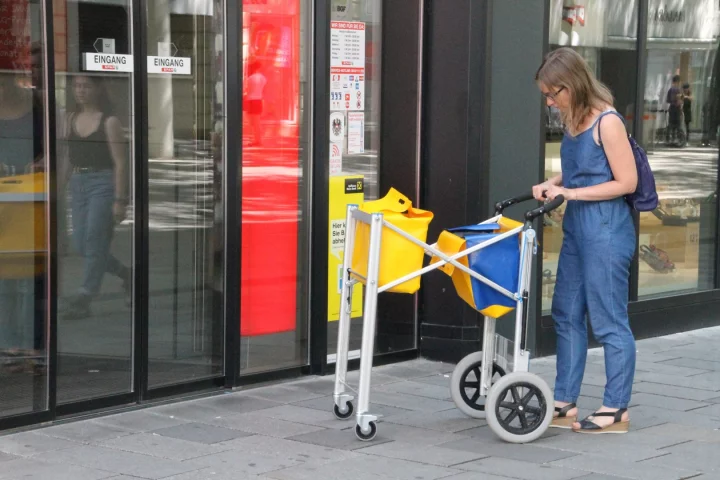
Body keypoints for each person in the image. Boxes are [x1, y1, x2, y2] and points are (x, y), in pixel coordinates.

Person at [533, 47, 637, 434]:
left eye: (552, 92)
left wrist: (572, 195)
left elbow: (627, 182)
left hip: (607, 228)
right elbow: (584, 171)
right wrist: (554, 183)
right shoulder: (572, 118)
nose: (549, 100)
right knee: (565, 311)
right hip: (579, 226)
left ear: (572, 84)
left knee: (609, 319)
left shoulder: (607, 121)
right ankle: (564, 401)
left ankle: (616, 407)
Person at [60, 75, 130, 319]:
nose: (80, 91)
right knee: (81, 244)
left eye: (86, 86)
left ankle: (85, 295)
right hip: (78, 183)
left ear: (98, 89)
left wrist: (120, 200)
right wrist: (60, 186)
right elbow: (69, 156)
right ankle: (126, 274)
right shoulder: (70, 119)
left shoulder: (109, 122)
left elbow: (121, 163)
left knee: (93, 238)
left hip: (102, 183)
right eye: (77, 86)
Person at [244, 60, 266, 146]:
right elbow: (264, 89)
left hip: (251, 100)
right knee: (257, 121)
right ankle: (257, 139)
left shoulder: (250, 78)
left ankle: (256, 140)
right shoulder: (263, 78)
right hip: (259, 100)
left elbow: (247, 90)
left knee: (252, 122)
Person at [666, 75, 683, 144]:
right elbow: (678, 100)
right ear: (677, 82)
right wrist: (679, 102)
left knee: (671, 124)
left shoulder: (670, 90)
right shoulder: (677, 90)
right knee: (677, 124)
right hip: (676, 108)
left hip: (671, 108)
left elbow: (668, 100)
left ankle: (670, 139)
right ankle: (676, 139)